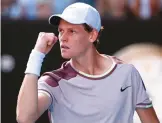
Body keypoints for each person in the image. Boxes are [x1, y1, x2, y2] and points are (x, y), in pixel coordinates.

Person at [16, 2, 160, 123]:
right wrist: (36, 55)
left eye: (72, 31)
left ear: (92, 35)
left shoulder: (127, 73)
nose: (63, 38)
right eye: (61, 31)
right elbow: (24, 118)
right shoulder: (54, 81)